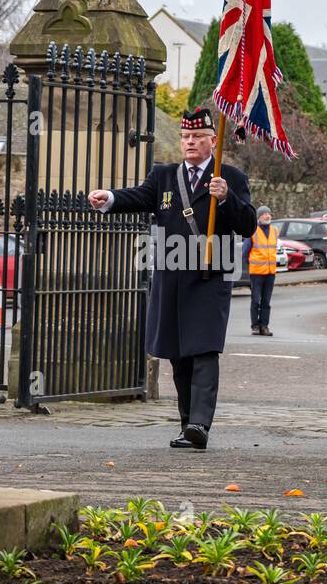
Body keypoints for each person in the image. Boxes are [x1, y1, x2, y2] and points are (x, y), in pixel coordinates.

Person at [88, 108, 257, 449]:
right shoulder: (164, 176)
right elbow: (138, 196)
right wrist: (111, 197)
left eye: (197, 137)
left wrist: (226, 199)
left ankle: (200, 424)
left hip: (210, 278)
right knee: (180, 354)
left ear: (213, 141)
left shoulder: (231, 177)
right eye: (185, 137)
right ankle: (187, 425)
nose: (190, 142)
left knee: (204, 351)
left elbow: (248, 224)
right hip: (172, 277)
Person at [244, 206, 278, 336]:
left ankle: (264, 326)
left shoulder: (275, 231)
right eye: (264, 214)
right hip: (257, 272)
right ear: (259, 217)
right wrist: (252, 265)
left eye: (269, 213)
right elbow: (245, 252)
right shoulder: (253, 231)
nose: (267, 216)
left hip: (270, 272)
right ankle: (255, 326)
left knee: (266, 301)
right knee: (256, 300)